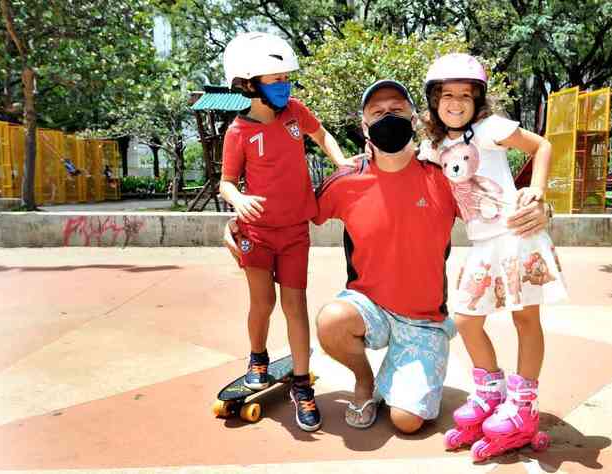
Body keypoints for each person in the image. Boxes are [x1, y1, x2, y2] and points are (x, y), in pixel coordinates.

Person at [223, 80, 552, 435]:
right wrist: (239, 222)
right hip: (369, 308)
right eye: (377, 112)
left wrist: (543, 208)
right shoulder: (345, 182)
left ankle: (401, 373)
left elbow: (496, 207)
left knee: (407, 422)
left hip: (423, 319)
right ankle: (365, 381)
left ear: (414, 118)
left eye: (396, 110)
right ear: (364, 126)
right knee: (331, 321)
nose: (387, 117)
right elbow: (289, 213)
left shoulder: (444, 177)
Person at [419, 53, 567, 460]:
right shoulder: (434, 146)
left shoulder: (489, 129)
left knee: (526, 319)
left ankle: (523, 406)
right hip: (482, 243)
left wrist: (537, 191)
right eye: (446, 94)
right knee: (465, 319)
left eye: (466, 95)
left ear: (478, 99)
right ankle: (489, 394)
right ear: (434, 100)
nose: (456, 102)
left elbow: (541, 146)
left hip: (516, 235)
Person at [218, 32, 350, 432]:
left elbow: (322, 134)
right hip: (256, 233)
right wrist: (237, 199)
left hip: (295, 232)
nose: (284, 86)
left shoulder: (295, 112)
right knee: (263, 303)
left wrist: (341, 164)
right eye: (274, 80)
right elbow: (225, 181)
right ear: (249, 84)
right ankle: (257, 357)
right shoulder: (237, 132)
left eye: (285, 78)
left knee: (296, 306)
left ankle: (301, 384)